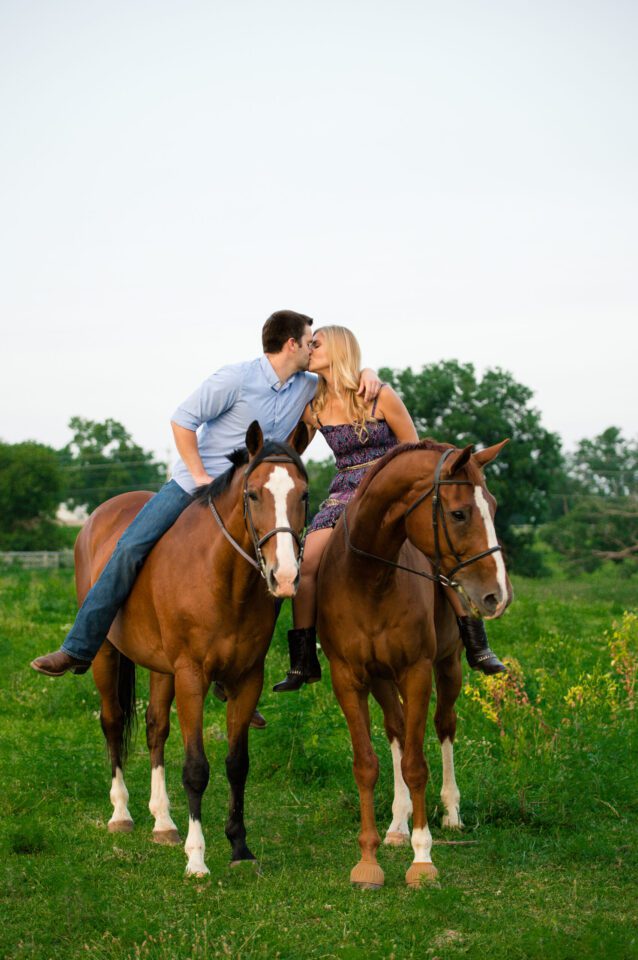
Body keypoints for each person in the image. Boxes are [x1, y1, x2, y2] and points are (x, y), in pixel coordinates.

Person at [31, 311, 381, 692]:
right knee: (131, 547)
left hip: (250, 496)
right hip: (196, 486)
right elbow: (182, 420)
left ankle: (235, 674)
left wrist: (369, 374)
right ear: (291, 344)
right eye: (310, 340)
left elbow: (344, 377)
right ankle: (78, 646)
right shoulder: (235, 379)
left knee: (279, 567)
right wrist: (199, 475)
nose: (313, 347)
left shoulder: (306, 385)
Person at [272, 325, 505, 693]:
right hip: (345, 491)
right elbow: (287, 449)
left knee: (434, 552)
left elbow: (414, 451)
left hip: (393, 489)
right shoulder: (312, 406)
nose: (309, 349)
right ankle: (303, 659)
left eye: (316, 344)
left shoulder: (381, 397)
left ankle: (475, 641)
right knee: (308, 561)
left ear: (338, 349)